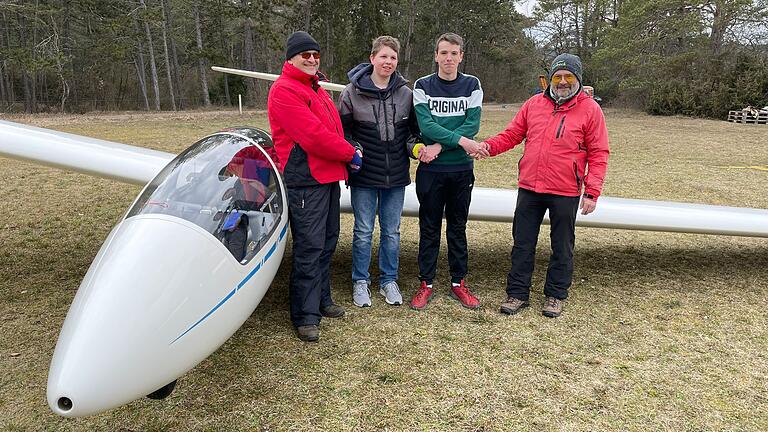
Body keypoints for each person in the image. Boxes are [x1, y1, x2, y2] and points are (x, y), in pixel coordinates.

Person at [471, 53, 609, 318]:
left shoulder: (591, 109)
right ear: (550, 79)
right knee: (522, 243)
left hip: (565, 190)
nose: (563, 82)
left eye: (569, 77)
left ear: (578, 79)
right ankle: (517, 294)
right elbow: (512, 134)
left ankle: (555, 295)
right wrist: (488, 147)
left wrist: (592, 192)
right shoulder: (534, 103)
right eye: (558, 77)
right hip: (530, 187)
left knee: (562, 245)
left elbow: (599, 152)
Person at [267, 31, 363, 342]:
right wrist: (350, 153)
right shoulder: (284, 91)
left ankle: (322, 301)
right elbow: (312, 136)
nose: (311, 59)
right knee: (309, 249)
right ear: (290, 58)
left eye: (315, 54)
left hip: (327, 179)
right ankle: (305, 316)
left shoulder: (317, 90)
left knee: (326, 243)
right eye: (304, 55)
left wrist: (349, 146)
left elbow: (332, 129)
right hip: (305, 181)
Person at [338, 36, 420, 308]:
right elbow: (344, 133)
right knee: (362, 230)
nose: (388, 62)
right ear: (372, 58)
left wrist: (417, 149)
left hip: (396, 176)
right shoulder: (351, 92)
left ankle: (389, 280)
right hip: (364, 176)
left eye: (393, 58)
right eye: (383, 56)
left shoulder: (406, 94)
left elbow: (412, 135)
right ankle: (360, 281)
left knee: (392, 231)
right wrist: (354, 149)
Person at [409, 32, 486, 311]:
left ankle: (458, 282)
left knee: (457, 226)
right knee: (428, 227)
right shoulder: (422, 85)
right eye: (444, 53)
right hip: (431, 171)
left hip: (461, 170)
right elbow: (426, 126)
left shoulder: (472, 84)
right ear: (436, 56)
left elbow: (471, 125)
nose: (448, 58)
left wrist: (440, 146)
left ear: (461, 56)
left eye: (454, 53)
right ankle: (426, 283)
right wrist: (461, 143)